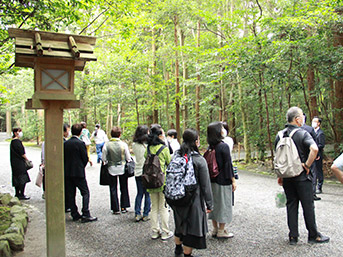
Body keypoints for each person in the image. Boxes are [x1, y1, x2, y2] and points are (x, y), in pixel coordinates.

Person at [275, 107, 329, 245]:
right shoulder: (302, 133)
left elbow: (278, 156)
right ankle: (313, 235)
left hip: (287, 176)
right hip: (302, 175)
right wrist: (307, 165)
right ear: (297, 119)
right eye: (302, 117)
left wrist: (280, 174)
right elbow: (314, 148)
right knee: (307, 205)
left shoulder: (279, 135)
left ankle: (293, 236)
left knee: (291, 204)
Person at [171, 129, 213, 257]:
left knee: (179, 223)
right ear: (196, 142)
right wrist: (209, 203)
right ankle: (187, 254)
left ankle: (178, 248)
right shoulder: (199, 160)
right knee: (191, 228)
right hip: (193, 199)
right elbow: (206, 185)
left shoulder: (176, 156)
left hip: (176, 196)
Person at [206, 122, 236, 238]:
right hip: (223, 180)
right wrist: (233, 180)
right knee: (223, 204)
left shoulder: (210, 147)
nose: (224, 130)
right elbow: (228, 165)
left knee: (214, 204)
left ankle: (214, 229)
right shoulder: (223, 146)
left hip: (212, 180)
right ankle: (221, 230)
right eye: (222, 128)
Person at [64, 123, 97, 223]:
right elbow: (85, 158)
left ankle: (74, 213)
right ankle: (85, 212)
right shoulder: (80, 143)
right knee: (85, 192)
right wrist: (81, 166)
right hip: (78, 172)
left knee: (71, 193)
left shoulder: (65, 143)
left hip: (68, 172)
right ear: (81, 132)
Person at [145, 124, 172, 240]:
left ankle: (155, 231)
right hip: (162, 181)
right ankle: (166, 231)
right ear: (160, 135)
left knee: (154, 207)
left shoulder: (148, 148)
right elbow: (169, 162)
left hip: (150, 181)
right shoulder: (164, 149)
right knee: (163, 207)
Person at [102, 126, 131, 215]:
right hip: (122, 167)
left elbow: (103, 158)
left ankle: (115, 208)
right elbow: (128, 158)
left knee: (113, 188)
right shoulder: (123, 144)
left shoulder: (106, 144)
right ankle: (124, 206)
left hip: (111, 168)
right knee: (124, 187)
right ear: (120, 134)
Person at [132, 125, 151, 222]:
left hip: (138, 171)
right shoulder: (148, 145)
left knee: (139, 193)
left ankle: (137, 213)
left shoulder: (134, 144)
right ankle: (146, 214)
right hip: (147, 172)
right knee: (147, 194)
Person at [301, 114, 321, 201]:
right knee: (312, 173)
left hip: (297, 157)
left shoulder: (291, 130)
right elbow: (314, 143)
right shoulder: (309, 129)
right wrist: (317, 154)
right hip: (310, 155)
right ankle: (312, 193)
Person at [10, 128, 31, 200]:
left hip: (14, 163)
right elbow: (22, 153)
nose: (20, 133)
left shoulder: (12, 142)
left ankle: (17, 193)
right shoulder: (17, 142)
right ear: (15, 133)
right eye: (19, 131)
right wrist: (27, 159)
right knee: (23, 178)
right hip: (20, 163)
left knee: (16, 177)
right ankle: (21, 193)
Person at [312, 117, 325, 194]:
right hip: (312, 154)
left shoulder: (320, 133)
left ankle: (319, 186)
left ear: (318, 123)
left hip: (318, 154)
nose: (313, 123)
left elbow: (321, 145)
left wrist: (315, 147)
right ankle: (314, 186)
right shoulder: (312, 131)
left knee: (319, 170)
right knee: (313, 171)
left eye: (315, 121)